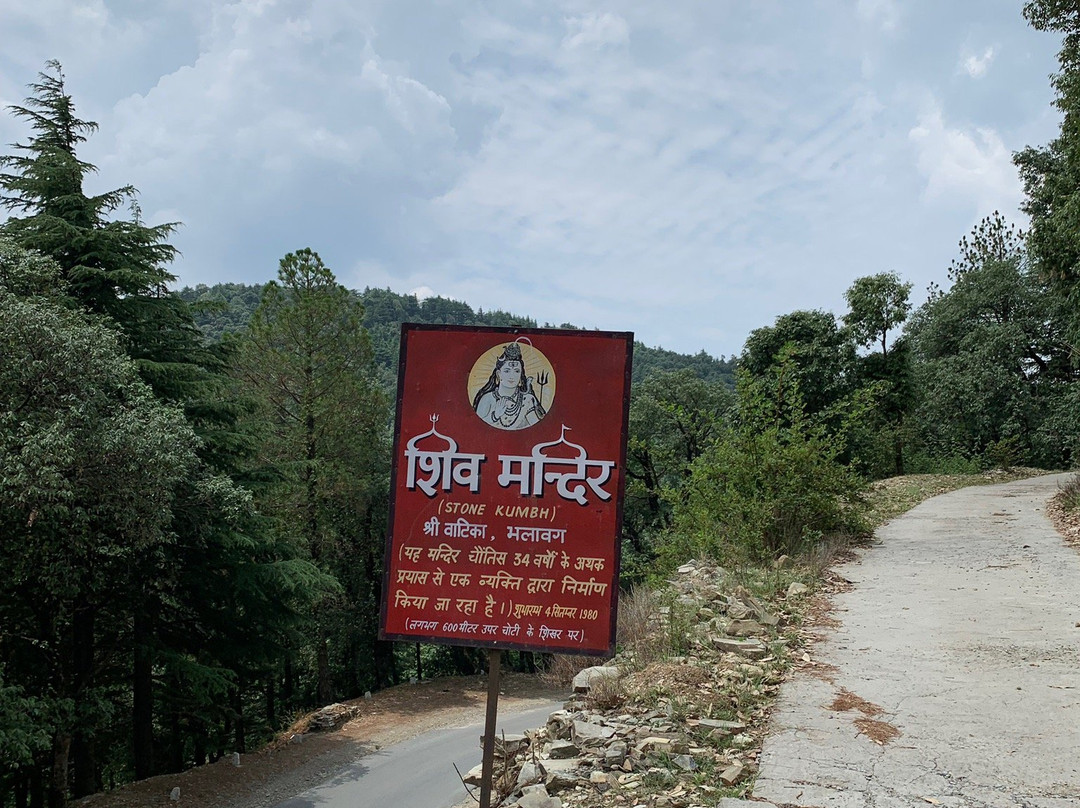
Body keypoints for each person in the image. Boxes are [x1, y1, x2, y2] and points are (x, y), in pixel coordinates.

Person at [472, 342, 546, 430]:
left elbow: (540, 430)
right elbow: (475, 428)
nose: (512, 376)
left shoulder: (528, 400)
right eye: (507, 371)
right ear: (499, 374)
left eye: (517, 371)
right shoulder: (487, 399)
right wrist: (495, 416)